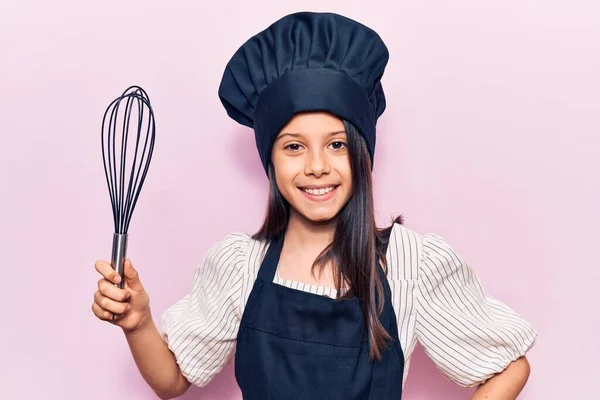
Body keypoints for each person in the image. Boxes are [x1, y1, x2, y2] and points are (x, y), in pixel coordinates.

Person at [92, 11, 537, 400]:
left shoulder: (411, 263)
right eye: (293, 147)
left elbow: (509, 365)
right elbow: (172, 382)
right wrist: (138, 321)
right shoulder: (239, 265)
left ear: (361, 153)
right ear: (270, 160)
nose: (317, 166)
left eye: (337, 144)